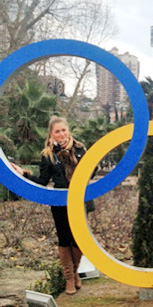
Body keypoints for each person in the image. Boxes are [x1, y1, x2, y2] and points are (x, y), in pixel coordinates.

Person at [14, 116, 88, 295]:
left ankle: (75, 272)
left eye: (64, 130)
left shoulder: (80, 149)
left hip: (79, 200)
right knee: (64, 239)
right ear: (51, 134)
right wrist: (24, 173)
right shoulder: (48, 155)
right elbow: (43, 181)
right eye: (57, 131)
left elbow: (89, 173)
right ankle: (69, 278)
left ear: (68, 130)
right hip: (59, 201)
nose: (61, 134)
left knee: (79, 239)